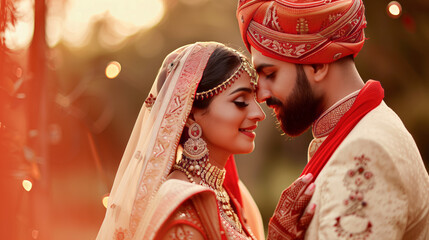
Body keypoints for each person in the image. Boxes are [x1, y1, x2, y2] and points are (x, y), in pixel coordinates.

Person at [237, 0, 429, 239]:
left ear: (317, 65)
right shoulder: (358, 131)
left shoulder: (367, 151)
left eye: (270, 74)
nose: (262, 94)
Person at [96, 42, 315, 240]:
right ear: (190, 115)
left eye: (255, 99)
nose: (259, 113)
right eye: (240, 101)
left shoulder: (230, 195)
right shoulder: (179, 207)